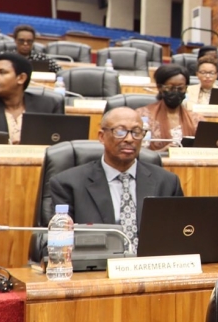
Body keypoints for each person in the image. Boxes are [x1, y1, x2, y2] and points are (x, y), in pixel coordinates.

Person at [46, 107, 183, 250]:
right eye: (120, 131)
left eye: (136, 132)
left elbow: (180, 237)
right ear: (101, 136)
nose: (130, 139)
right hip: (97, 267)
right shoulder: (68, 184)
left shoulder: (167, 182)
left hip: (151, 268)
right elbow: (56, 245)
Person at [134, 64, 202, 151]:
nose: (175, 92)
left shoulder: (196, 119)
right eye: (170, 88)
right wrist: (162, 152)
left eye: (180, 88)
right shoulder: (142, 115)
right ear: (160, 87)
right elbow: (137, 152)